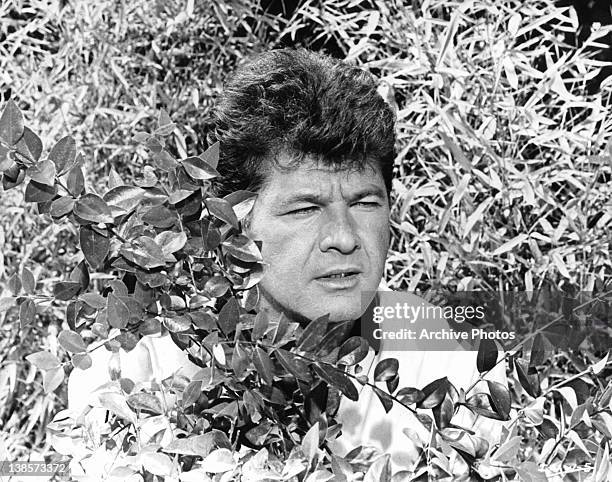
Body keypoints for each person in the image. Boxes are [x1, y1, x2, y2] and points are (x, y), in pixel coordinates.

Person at [67, 48, 505, 473]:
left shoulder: (438, 356)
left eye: (366, 203)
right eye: (304, 208)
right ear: (230, 224)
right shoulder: (139, 369)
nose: (344, 237)